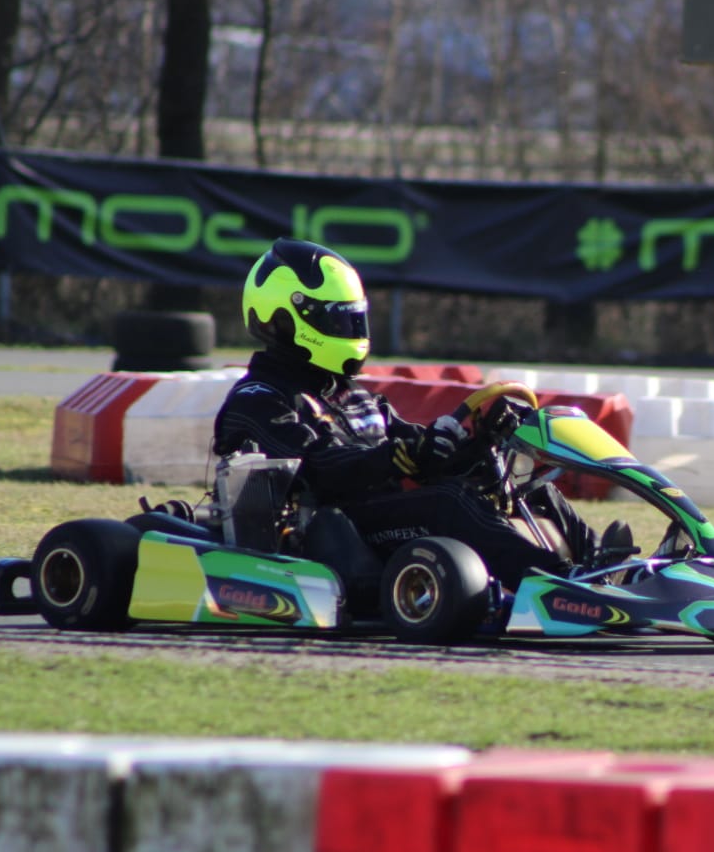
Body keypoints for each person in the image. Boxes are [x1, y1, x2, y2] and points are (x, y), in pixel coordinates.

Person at [212, 237, 628, 591]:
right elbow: (318, 468)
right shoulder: (259, 399)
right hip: (328, 530)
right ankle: (557, 583)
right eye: (336, 322)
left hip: (382, 517)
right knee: (448, 502)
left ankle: (602, 569)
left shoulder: (352, 397)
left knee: (514, 479)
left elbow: (415, 448)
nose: (350, 333)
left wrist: (477, 443)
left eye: (353, 321)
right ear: (286, 319)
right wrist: (393, 457)